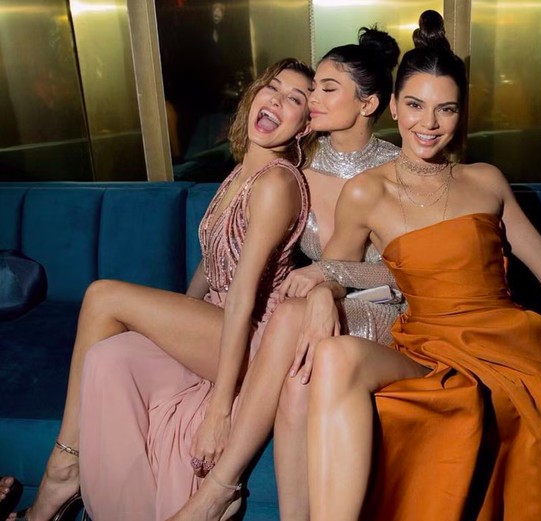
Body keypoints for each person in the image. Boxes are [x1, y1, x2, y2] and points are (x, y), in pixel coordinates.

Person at [304, 10, 541, 521]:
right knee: (335, 355)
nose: (429, 124)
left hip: (502, 345)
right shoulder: (365, 192)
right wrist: (320, 289)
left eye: (445, 109)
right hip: (426, 346)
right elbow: (338, 271)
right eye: (415, 105)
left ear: (460, 113)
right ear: (394, 107)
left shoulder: (486, 181)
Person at [8, 57, 315, 521]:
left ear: (304, 126)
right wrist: (176, 322)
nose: (276, 100)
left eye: (294, 99)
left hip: (255, 335)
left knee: (102, 297)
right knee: (109, 358)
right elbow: (213, 263)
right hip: (216, 321)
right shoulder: (240, 173)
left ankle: (64, 467)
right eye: (272, 87)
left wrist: (220, 409)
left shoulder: (276, 182)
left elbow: (241, 297)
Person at [165, 26, 403, 521]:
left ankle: (218, 490)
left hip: (386, 306)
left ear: (367, 104)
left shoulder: (397, 168)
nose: (312, 99)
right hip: (316, 305)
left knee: (296, 326)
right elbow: (236, 248)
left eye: (326, 89)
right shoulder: (299, 168)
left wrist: (322, 280)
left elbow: (408, 276)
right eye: (312, 90)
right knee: (297, 377)